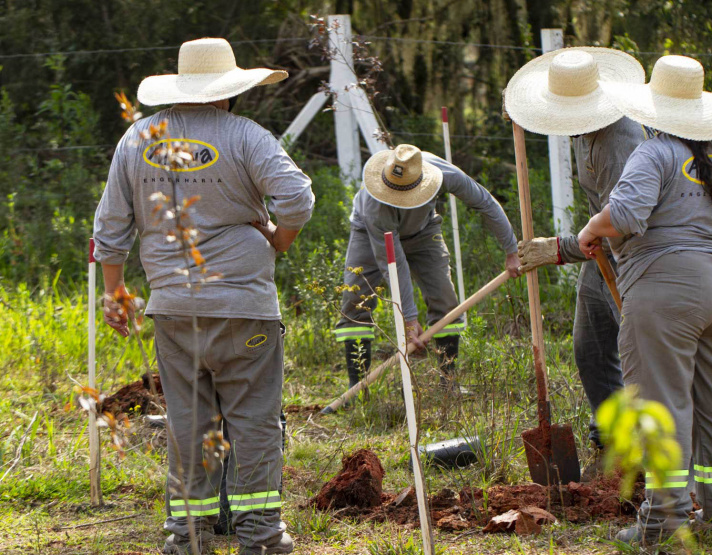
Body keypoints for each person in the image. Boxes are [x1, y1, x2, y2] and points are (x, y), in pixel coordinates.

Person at [94, 38, 314, 555]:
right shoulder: (247, 137)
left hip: (172, 309)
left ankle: (188, 536)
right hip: (243, 308)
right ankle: (259, 537)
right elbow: (297, 198)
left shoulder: (137, 139)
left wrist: (113, 292)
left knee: (189, 423)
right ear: (229, 91)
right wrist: (277, 241)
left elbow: (111, 225)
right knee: (253, 420)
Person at [576, 55, 712, 543]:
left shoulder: (653, 154)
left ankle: (663, 522)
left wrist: (590, 229)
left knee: (663, 402)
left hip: (664, 290)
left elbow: (626, 214)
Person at [504, 47, 651, 453]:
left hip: (636, 252)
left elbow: (622, 221)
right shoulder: (582, 130)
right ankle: (610, 432)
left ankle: (654, 445)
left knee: (639, 352)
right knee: (591, 345)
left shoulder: (617, 141)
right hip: (599, 252)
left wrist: (559, 250)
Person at [334, 144, 521, 392]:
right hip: (368, 233)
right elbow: (393, 263)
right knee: (355, 298)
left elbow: (484, 202)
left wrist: (511, 250)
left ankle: (449, 382)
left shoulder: (444, 173)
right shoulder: (375, 207)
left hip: (424, 231)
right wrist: (409, 319)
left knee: (445, 297)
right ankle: (357, 387)